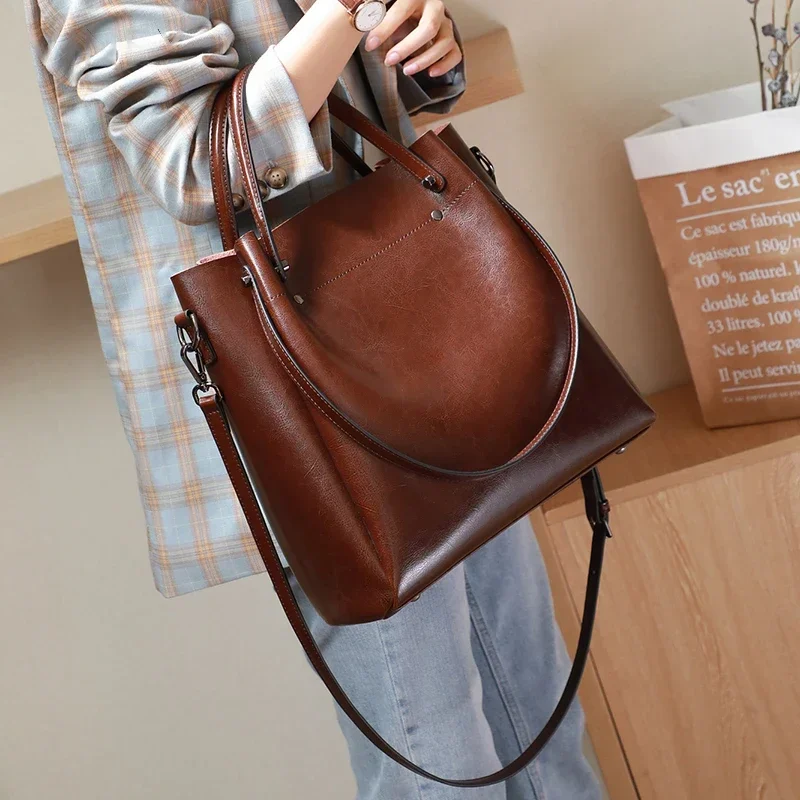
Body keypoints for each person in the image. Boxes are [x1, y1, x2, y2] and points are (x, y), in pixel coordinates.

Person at [25, 0, 602, 796]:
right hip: (310, 406)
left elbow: (348, 92)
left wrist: (421, 44)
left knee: (543, 732)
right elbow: (194, 163)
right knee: (442, 768)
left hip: (429, 346)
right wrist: (347, 12)